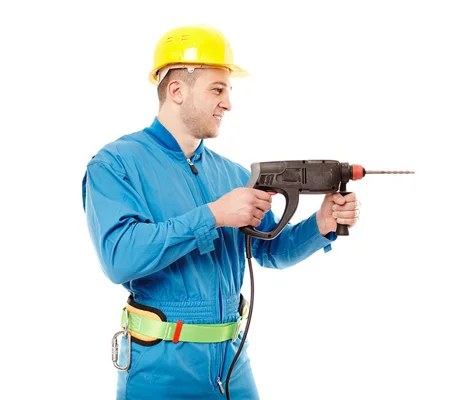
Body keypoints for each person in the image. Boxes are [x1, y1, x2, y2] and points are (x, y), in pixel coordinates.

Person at [82, 24, 361, 400]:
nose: (228, 103)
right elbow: (120, 258)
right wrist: (213, 215)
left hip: (233, 365)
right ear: (176, 90)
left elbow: (269, 251)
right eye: (218, 89)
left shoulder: (231, 173)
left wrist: (321, 224)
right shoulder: (116, 163)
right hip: (161, 369)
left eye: (228, 91)